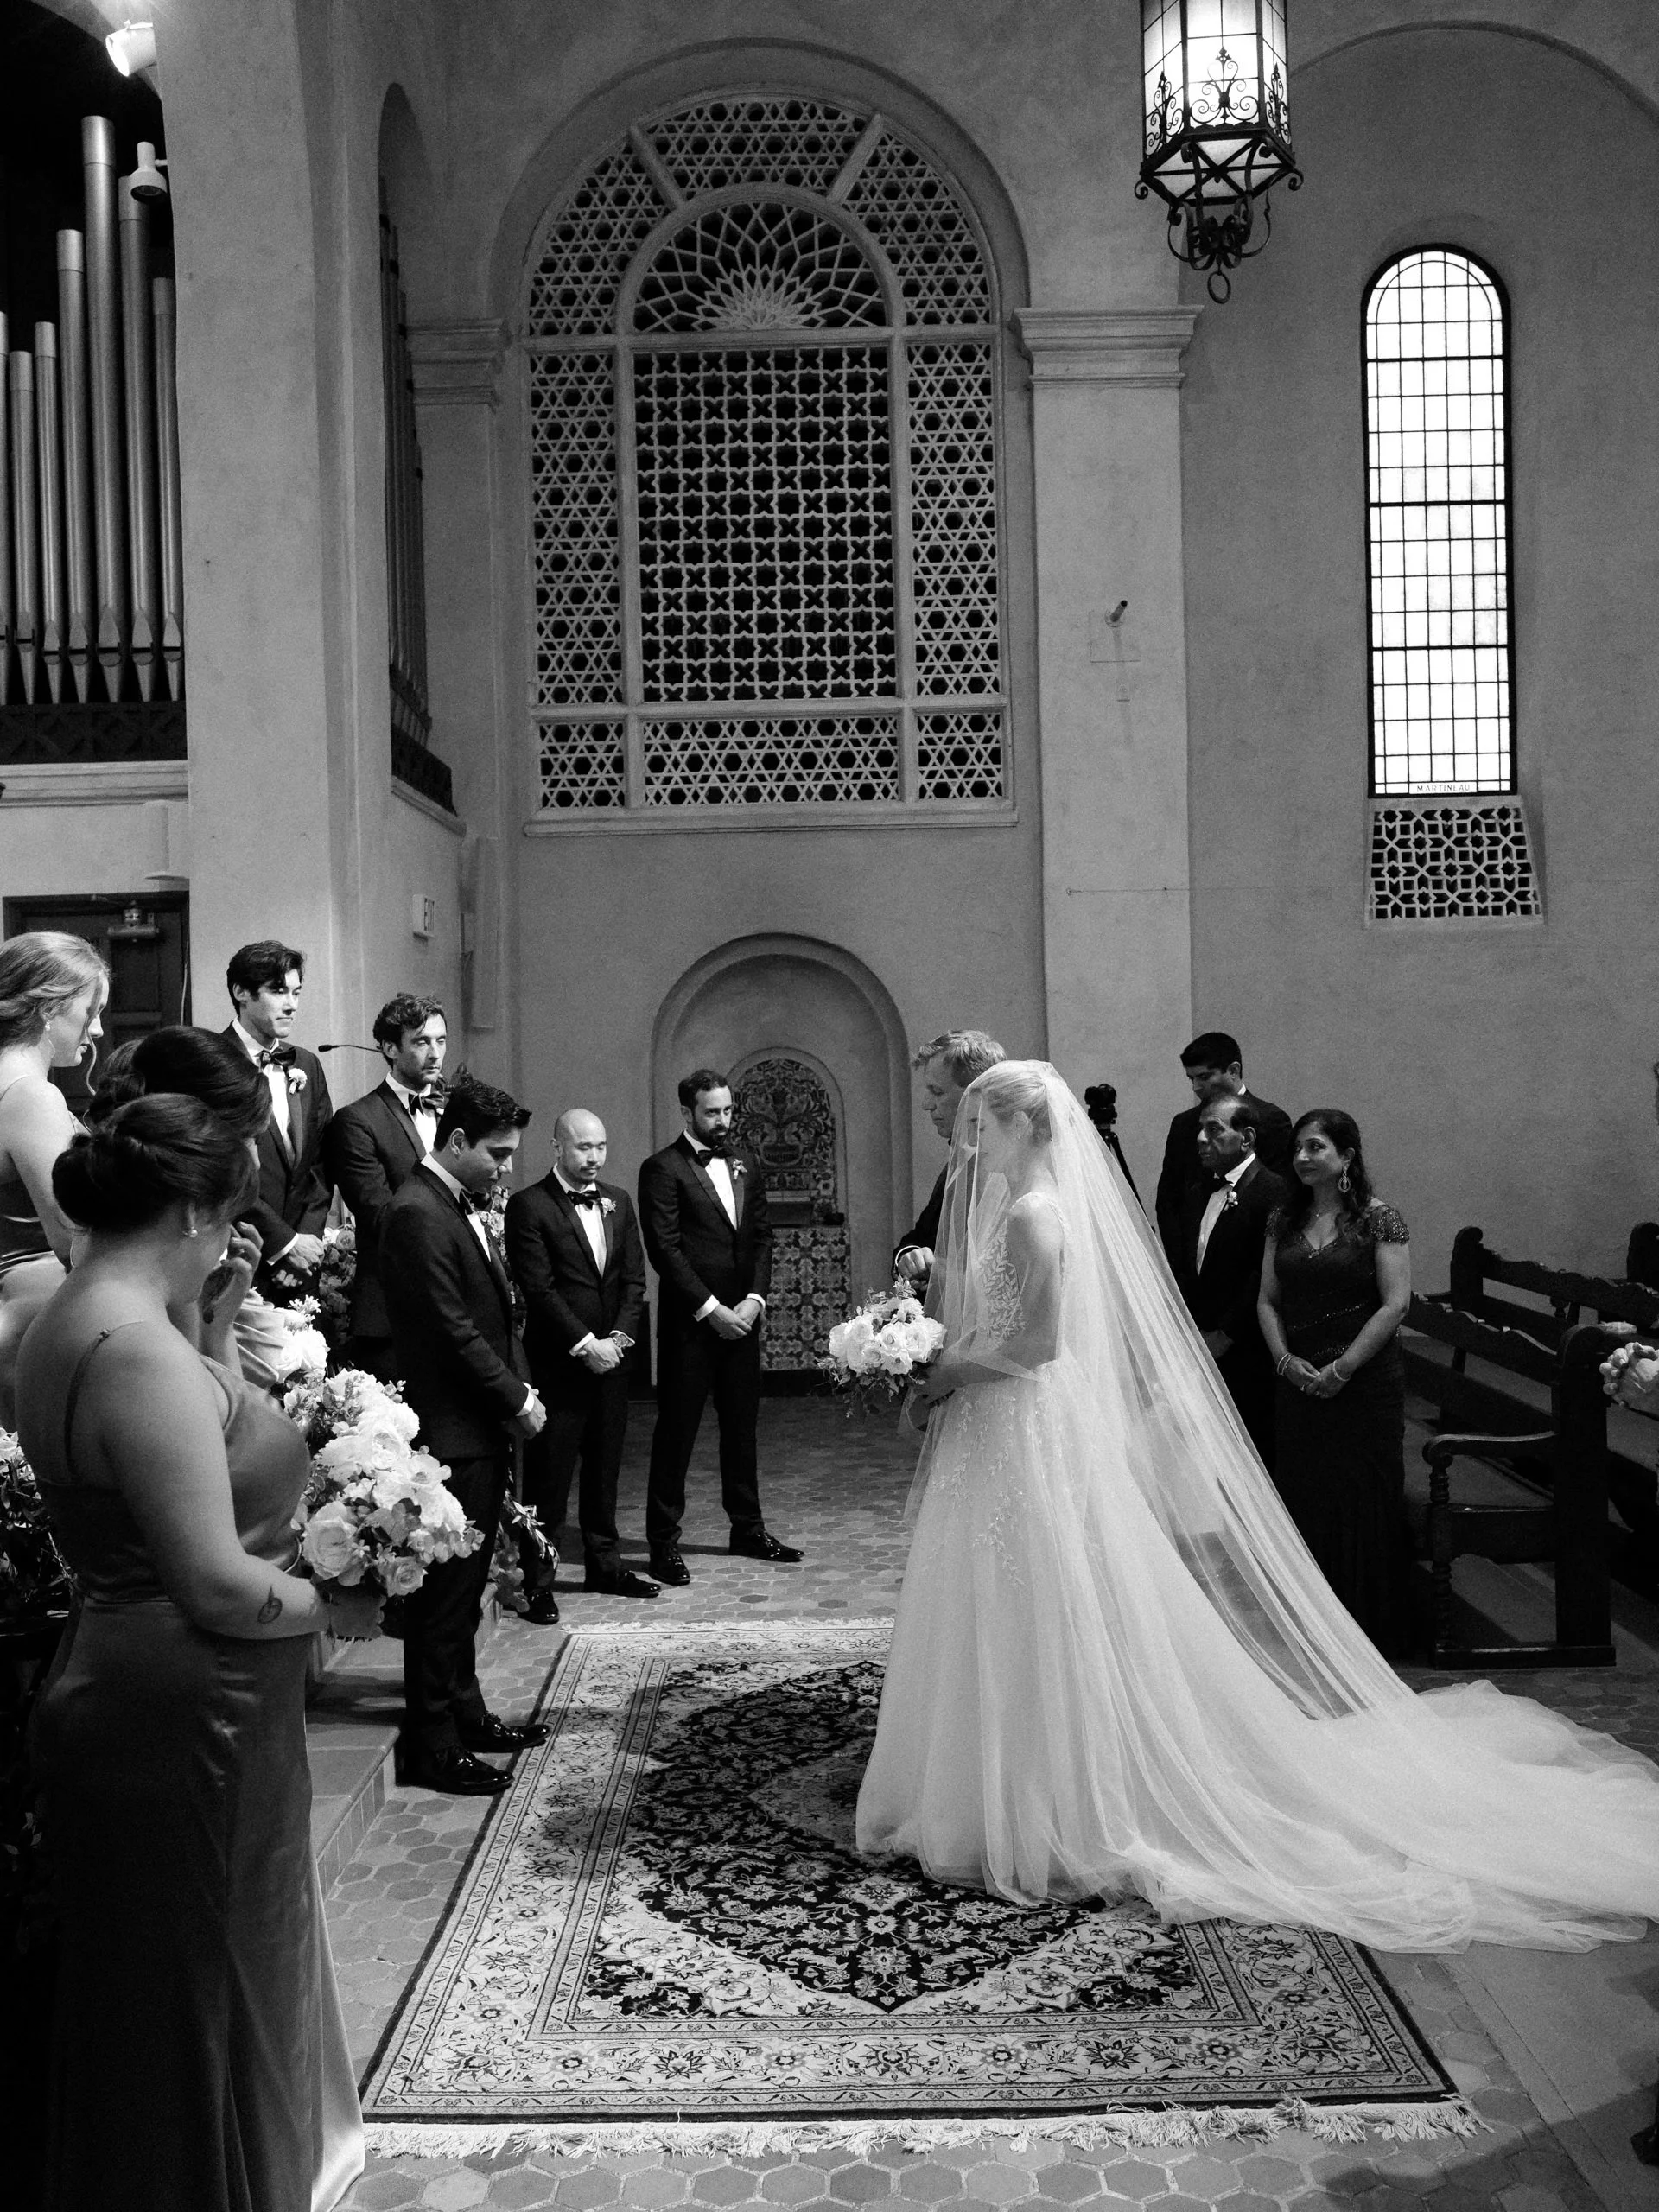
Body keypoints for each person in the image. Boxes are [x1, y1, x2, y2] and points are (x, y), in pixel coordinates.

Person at [856, 1061, 1659, 1949]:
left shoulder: (1038, 1214)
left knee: (1042, 1595)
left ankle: (1052, 1794)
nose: (971, 1140)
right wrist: (937, 1361)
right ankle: (991, 1781)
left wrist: (940, 1374)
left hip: (1021, 1421)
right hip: (1001, 1429)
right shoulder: (1019, 1206)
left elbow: (1038, 1343)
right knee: (1001, 1600)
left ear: (1021, 1127)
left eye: (983, 1123)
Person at [18, 1097, 381, 2212]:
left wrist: (217, 1329)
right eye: (226, 1220)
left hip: (149, 1682)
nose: (231, 1243)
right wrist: (338, 1605)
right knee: (195, 1979)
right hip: (188, 1704)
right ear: (189, 1209)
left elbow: (186, 1458)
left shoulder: (84, 1314)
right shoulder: (133, 1353)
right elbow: (217, 1582)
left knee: (191, 1965)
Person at [379, 1071, 549, 1794]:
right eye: (499, 1153)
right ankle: (433, 1742)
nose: (507, 1167)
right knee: (444, 1599)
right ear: (456, 1141)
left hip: (474, 1422)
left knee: (469, 1584)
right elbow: (450, 1328)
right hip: (452, 1427)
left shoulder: (449, 1201)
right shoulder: (418, 1210)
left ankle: (468, 1713)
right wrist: (515, 1398)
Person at [1257, 1109, 1413, 1656]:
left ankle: (1367, 1630)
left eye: (1316, 1147)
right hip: (1298, 1382)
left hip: (1364, 1384)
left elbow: (1396, 1305)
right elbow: (1268, 1299)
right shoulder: (1283, 1219)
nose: (1302, 1157)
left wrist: (1342, 1369)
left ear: (1346, 1157)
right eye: (1298, 1147)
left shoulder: (1380, 1220)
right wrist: (1282, 1361)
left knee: (1361, 1497)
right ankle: (1311, 1626)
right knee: (1306, 1495)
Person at [639, 1068, 799, 1586]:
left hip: (743, 1321)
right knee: (676, 1434)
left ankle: (747, 1528)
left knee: (742, 1430)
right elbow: (665, 1250)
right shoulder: (661, 1169)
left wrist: (753, 1300)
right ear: (687, 1112)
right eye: (712, 1112)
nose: (723, 1120)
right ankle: (663, 1543)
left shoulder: (745, 1162)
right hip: (692, 1326)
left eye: (728, 1110)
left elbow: (761, 1237)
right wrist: (712, 1309)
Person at [506, 1109, 653, 1603]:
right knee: (549, 1480)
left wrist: (618, 1342)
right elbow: (540, 1289)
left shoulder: (620, 1201)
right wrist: (585, 1345)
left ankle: (605, 1568)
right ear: (557, 1148)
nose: (594, 1157)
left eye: (601, 1147)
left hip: (612, 1365)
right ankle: (538, 1582)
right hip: (558, 1365)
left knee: (605, 1472)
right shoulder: (529, 1205)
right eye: (583, 1147)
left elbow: (634, 1280)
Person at [87, 1027, 270, 1374]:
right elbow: (223, 1420)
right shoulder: (160, 1271)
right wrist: (218, 1333)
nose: (256, 1162)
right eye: (248, 1140)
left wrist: (219, 1325)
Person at [0, 931, 108, 1418]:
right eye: (91, 1011)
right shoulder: (30, 1095)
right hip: (33, 1318)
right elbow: (73, 1236)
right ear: (49, 1008)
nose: (99, 1029)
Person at [323, 992, 448, 1376]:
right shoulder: (357, 1121)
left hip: (460, 1302)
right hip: (395, 1306)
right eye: (422, 1042)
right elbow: (381, 1215)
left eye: (441, 1041)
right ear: (390, 1048)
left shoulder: (458, 1111)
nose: (435, 1053)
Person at [1173, 1086, 1287, 1465]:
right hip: (1202, 1337)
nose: (1202, 1140)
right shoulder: (1201, 1186)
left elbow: (1262, 1272)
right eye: (1201, 1131)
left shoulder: (1273, 1192)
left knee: (1250, 1453)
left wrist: (1226, 1333)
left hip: (1247, 1349)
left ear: (1247, 1138)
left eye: (1215, 1130)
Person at [224, 938, 334, 1289]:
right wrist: (284, 1243)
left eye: (296, 992)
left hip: (304, 1258)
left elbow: (321, 1161)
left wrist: (306, 1240)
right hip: (239, 1250)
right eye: (278, 991)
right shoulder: (213, 1062)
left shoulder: (306, 1064)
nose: (291, 1005)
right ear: (242, 992)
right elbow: (221, 1169)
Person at [1154, 1031, 1292, 1272]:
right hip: (1192, 1266)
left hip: (1247, 1266)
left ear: (1233, 1071)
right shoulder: (1184, 1124)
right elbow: (1169, 1200)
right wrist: (1182, 1270)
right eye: (1191, 1079)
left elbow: (1275, 1201)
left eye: (1204, 1077)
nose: (1196, 1087)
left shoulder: (1271, 1120)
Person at [893, 1029, 1006, 1285]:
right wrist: (910, 1257)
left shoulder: (1008, 1170)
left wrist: (945, 1275)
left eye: (937, 1091)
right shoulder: (955, 1162)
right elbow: (919, 1237)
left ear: (975, 1093)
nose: (926, 1104)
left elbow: (1008, 1281)